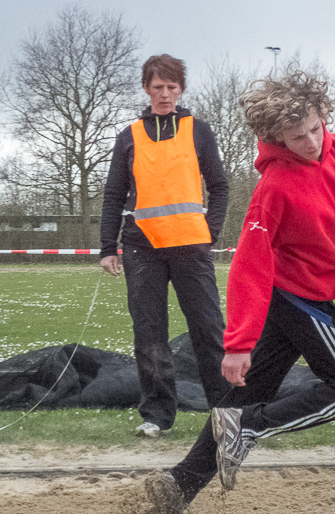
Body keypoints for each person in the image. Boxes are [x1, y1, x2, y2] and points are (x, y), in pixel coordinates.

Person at [144, 70, 335, 514]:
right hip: (297, 297)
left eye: (315, 129)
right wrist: (239, 343)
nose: (311, 142)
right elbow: (250, 266)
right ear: (274, 138)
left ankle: (178, 485)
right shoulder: (274, 188)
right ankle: (249, 429)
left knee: (248, 394)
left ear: (324, 116)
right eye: (297, 136)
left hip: (307, 293)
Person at [100, 54, 230, 438]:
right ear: (146, 89)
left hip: (192, 247)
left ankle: (225, 413)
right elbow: (113, 195)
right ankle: (156, 415)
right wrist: (108, 246)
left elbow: (220, 187)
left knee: (209, 330)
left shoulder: (199, 130)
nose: (165, 94)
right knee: (149, 333)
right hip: (142, 249)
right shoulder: (129, 135)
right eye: (158, 87)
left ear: (181, 90)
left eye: (172, 87)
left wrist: (211, 232)